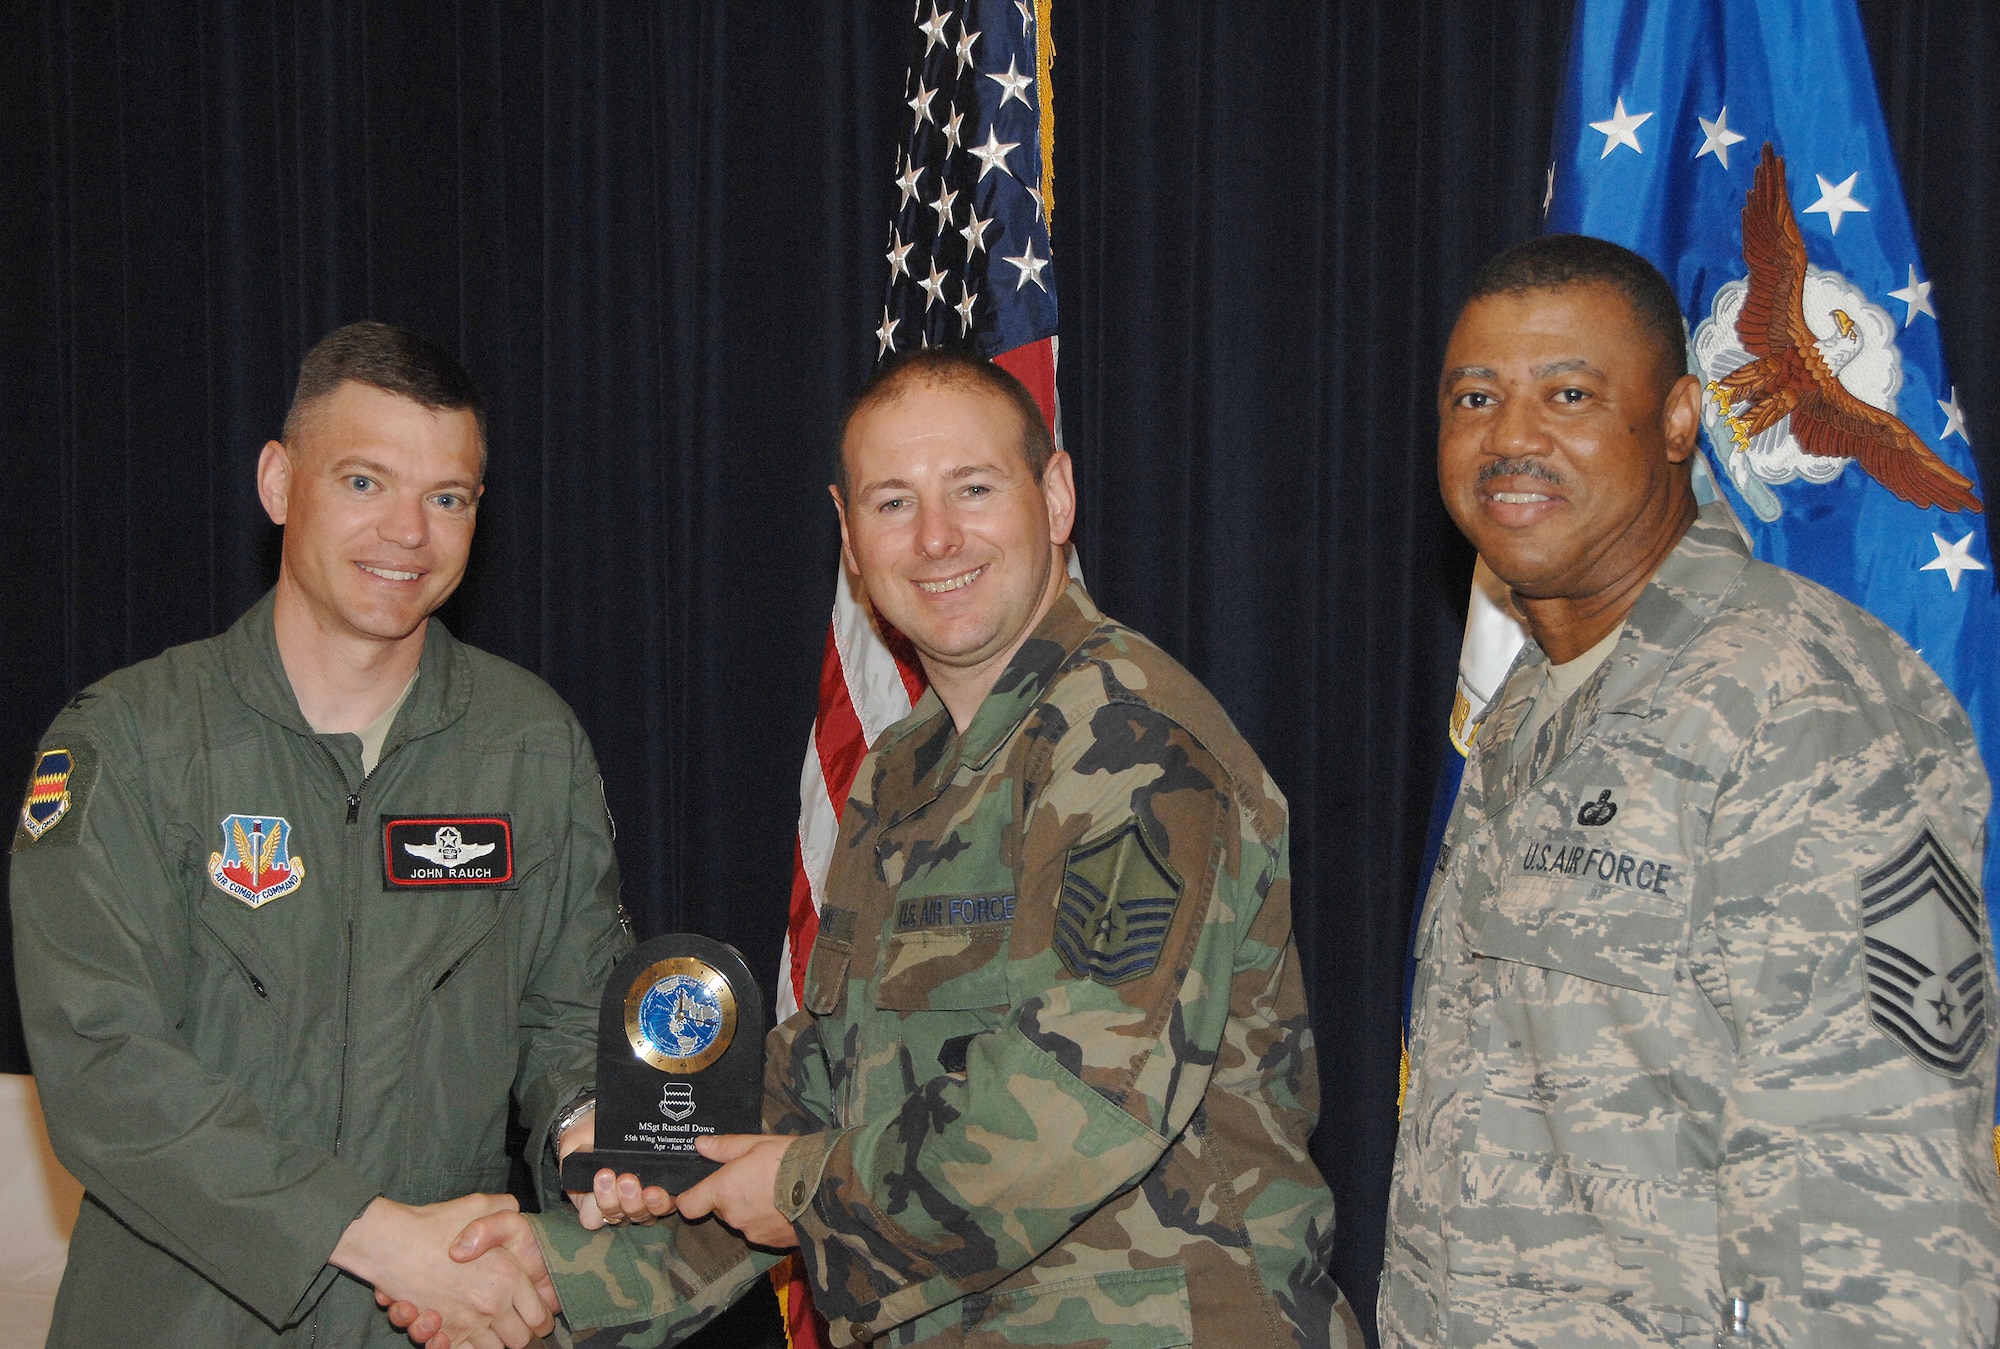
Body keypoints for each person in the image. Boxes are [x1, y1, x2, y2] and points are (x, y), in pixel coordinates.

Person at [399, 347, 1361, 1348]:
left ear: (1056, 493)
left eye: (973, 488)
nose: (936, 536)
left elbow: (1078, 1102)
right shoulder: (902, 773)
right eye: (892, 501)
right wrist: (546, 1276)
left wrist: (802, 1188)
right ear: (848, 536)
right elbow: (821, 1087)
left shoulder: (1132, 744)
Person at [1383, 235, 2000, 1346]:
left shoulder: (1801, 698)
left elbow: (1880, 1207)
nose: (1509, 436)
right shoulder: (1528, 704)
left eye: (1567, 393)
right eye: (1472, 396)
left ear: (1676, 420)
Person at [10, 322, 630, 1346]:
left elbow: (569, 1015)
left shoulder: (529, 740)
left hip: (439, 1317)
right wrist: (370, 1233)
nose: (407, 534)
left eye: (447, 498)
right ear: (277, 481)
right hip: (181, 1319)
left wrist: (589, 1133)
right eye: (362, 482)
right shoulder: (130, 740)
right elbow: (104, 1067)